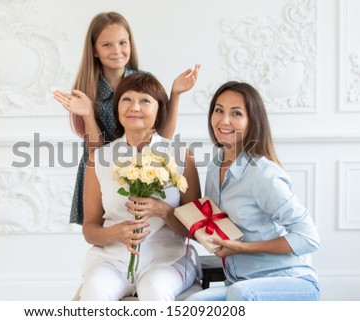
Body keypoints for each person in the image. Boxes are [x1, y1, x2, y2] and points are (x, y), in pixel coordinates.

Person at [53, 12, 200, 225]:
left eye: (122, 42)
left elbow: (162, 139)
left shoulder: (142, 82)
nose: (117, 51)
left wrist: (174, 95)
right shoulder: (88, 91)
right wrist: (88, 115)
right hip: (104, 169)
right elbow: (98, 156)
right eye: (107, 45)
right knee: (107, 230)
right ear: (94, 50)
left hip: (143, 167)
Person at [185, 81, 320, 301]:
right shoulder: (215, 166)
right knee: (194, 303)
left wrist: (242, 248)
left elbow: (309, 238)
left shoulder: (263, 175)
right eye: (218, 110)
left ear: (252, 122)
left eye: (236, 113)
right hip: (240, 282)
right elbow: (215, 229)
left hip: (290, 280)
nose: (224, 120)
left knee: (241, 294)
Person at [79, 73, 201, 300]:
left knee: (155, 293)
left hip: (166, 259)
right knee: (94, 294)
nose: (134, 106)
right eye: (127, 99)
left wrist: (164, 211)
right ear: (117, 108)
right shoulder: (100, 158)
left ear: (159, 110)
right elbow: (90, 229)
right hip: (111, 261)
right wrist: (113, 233)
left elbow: (196, 229)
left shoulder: (180, 155)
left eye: (145, 100)